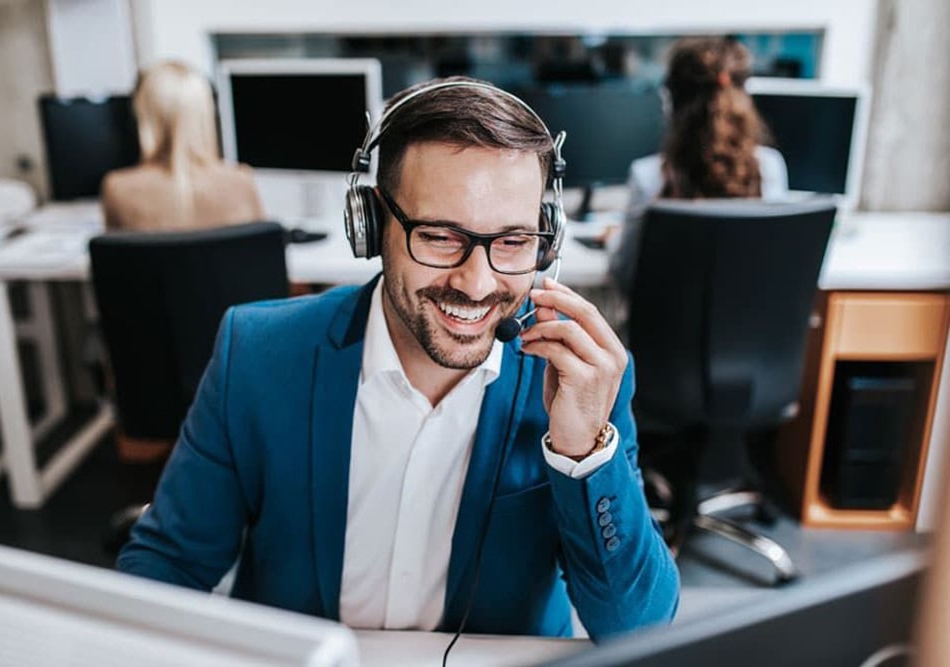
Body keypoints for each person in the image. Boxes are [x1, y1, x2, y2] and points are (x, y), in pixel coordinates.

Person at [117, 77, 679, 640]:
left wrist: (581, 453)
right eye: (439, 236)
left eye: (512, 241)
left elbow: (639, 627)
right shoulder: (259, 352)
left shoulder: (579, 381)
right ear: (372, 223)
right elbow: (168, 566)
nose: (477, 283)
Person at [611, 37, 789, 297]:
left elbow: (625, 276)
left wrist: (614, 240)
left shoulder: (647, 175)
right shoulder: (770, 167)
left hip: (661, 337)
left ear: (670, 100)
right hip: (750, 332)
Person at [101, 61, 264, 232]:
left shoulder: (118, 190)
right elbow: (263, 251)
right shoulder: (241, 183)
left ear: (145, 118)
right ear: (205, 115)